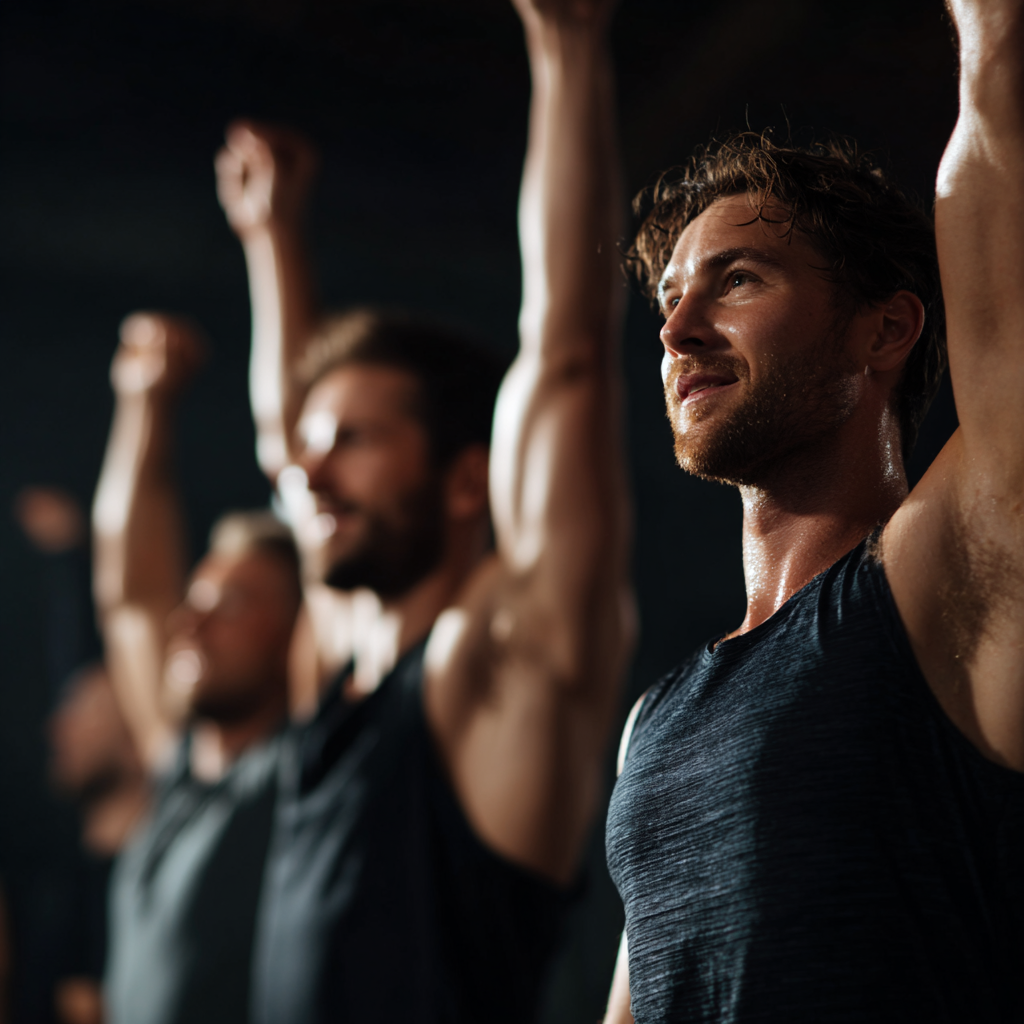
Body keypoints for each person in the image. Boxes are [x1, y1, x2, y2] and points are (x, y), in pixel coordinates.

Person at [603, 2, 1024, 1022]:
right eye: (670, 297)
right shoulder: (653, 721)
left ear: (884, 332)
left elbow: (999, 240)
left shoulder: (942, 582)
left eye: (737, 280)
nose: (677, 328)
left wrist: (990, 31)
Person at [214, 0, 633, 1020]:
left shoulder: (492, 662)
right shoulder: (336, 658)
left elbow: (567, 352)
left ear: (463, 482)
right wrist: (272, 239)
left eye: (354, 441)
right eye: (314, 446)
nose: (310, 473)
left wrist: (566, 45)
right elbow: (284, 444)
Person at [91, 313, 302, 1024]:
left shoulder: (299, 775)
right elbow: (130, 597)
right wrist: (142, 404)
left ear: (299, 634)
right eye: (195, 600)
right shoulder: (179, 764)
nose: (191, 622)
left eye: (230, 605)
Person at [47, 662, 149, 1024]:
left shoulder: (155, 889)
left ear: (135, 738)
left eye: (85, 711)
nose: (59, 727)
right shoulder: (49, 885)